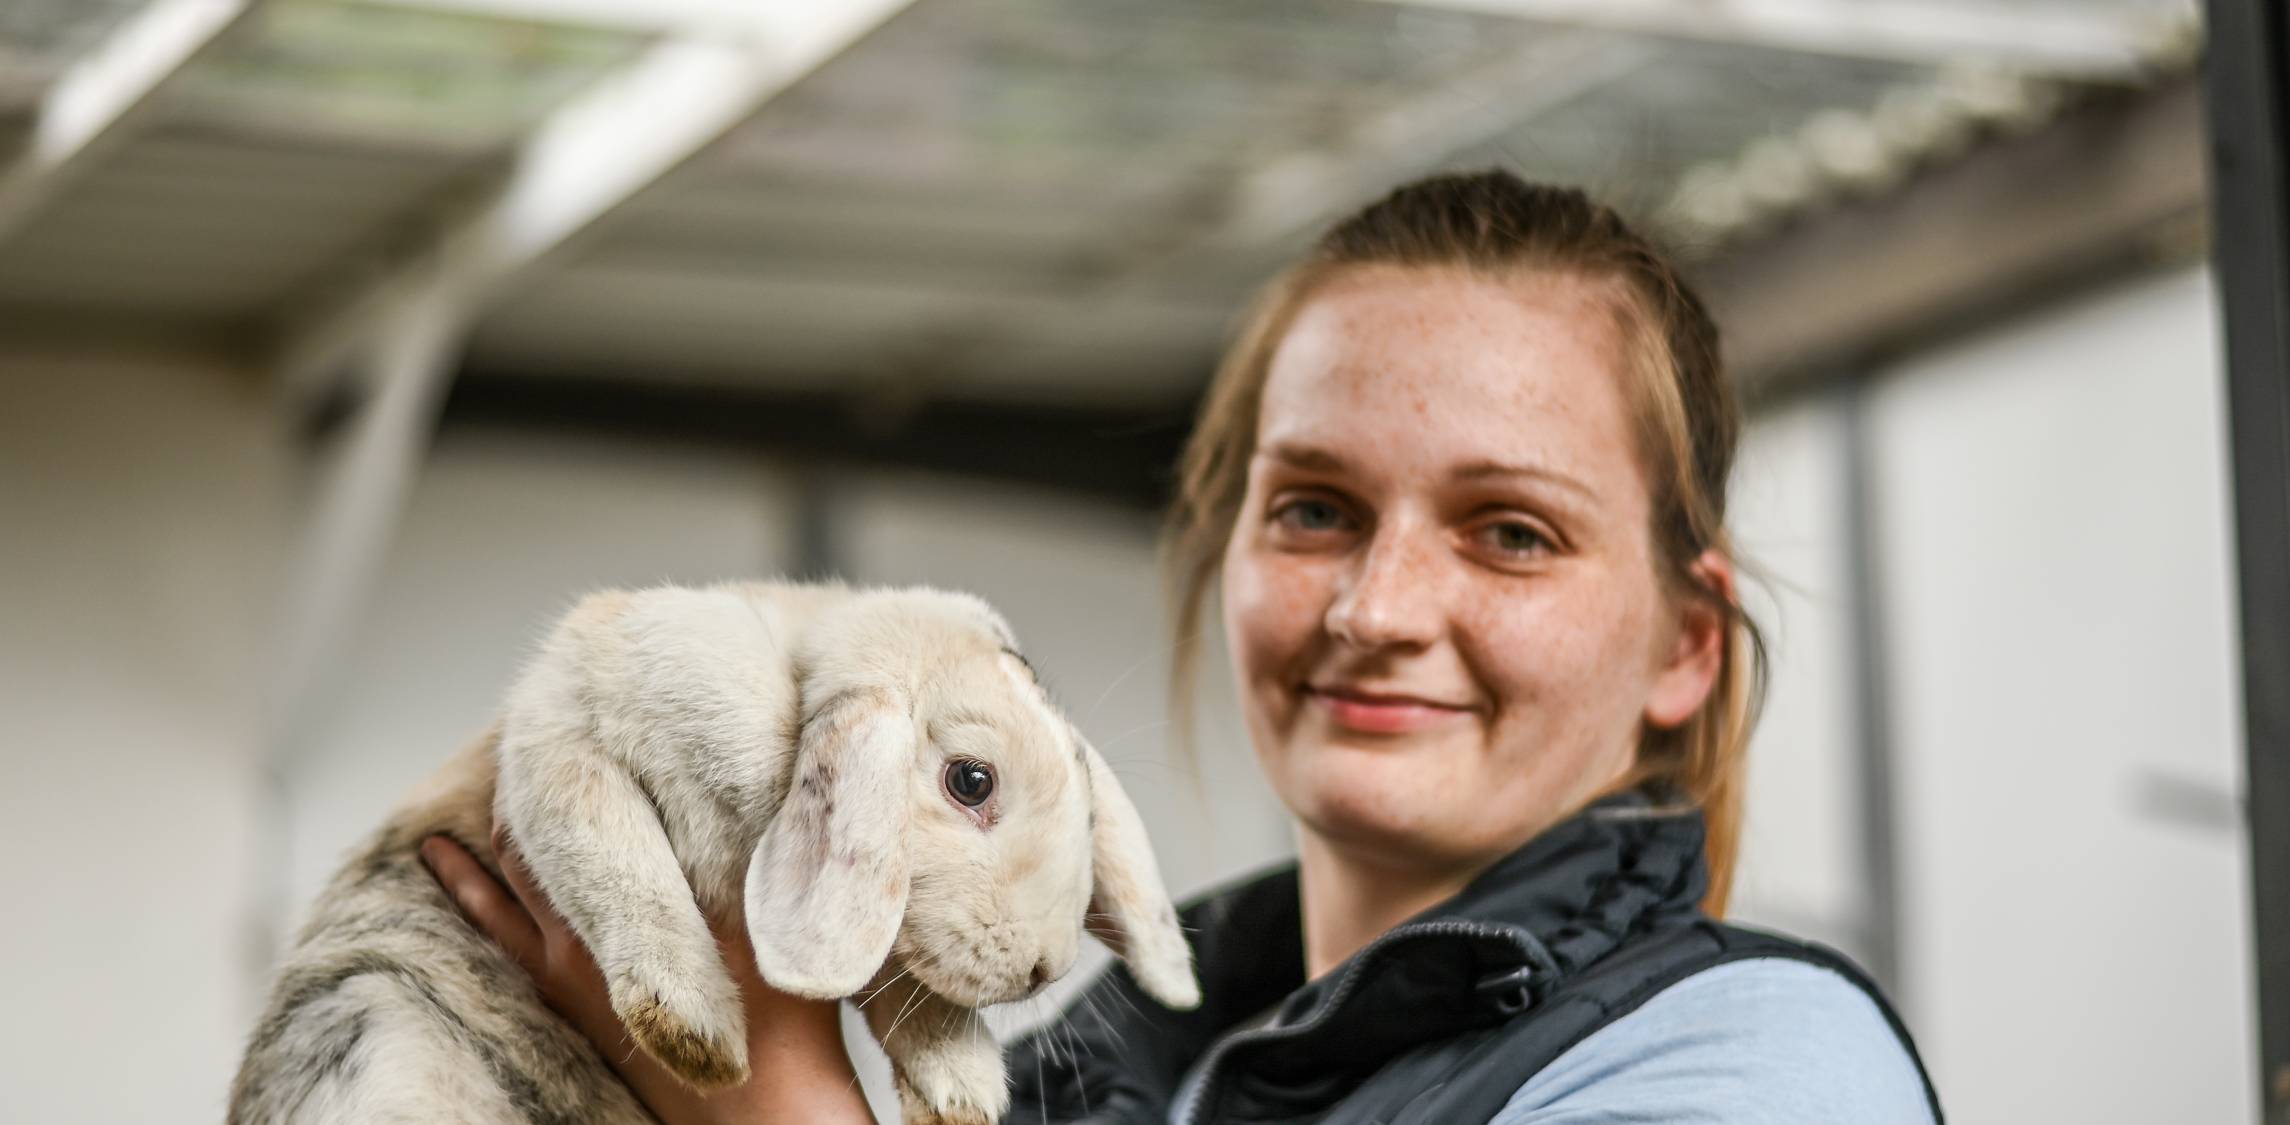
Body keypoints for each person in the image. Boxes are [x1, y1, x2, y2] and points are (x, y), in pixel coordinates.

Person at [421, 170, 1941, 1124]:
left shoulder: (1762, 1066)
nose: (1376, 607)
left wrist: (779, 1113)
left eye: (1511, 531)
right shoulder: (1113, 1070)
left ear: (1685, 644)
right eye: (1316, 509)